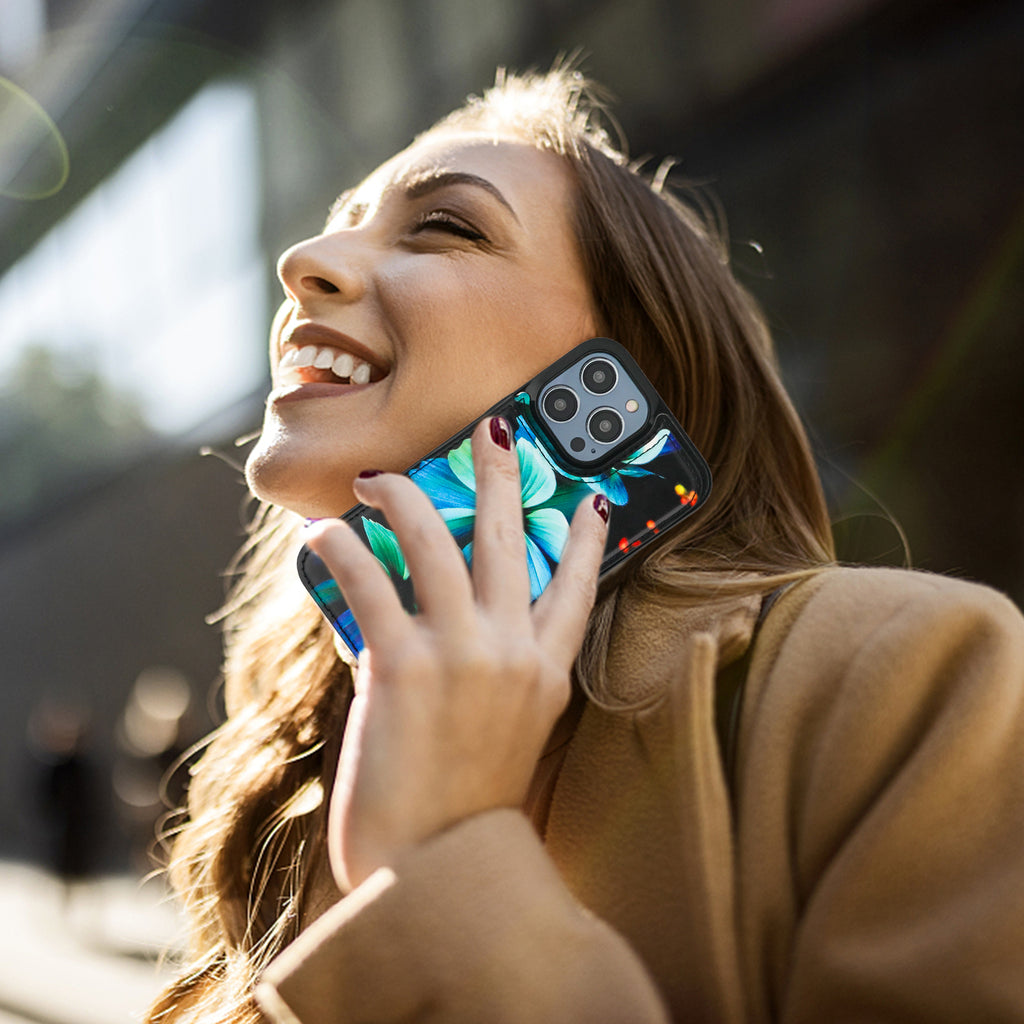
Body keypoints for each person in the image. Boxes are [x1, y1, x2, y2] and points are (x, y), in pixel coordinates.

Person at [147, 67, 1024, 1024]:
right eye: (340, 221)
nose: (305, 259)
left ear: (628, 372)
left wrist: (448, 857)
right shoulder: (294, 744)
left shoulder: (905, 677)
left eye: (446, 226)